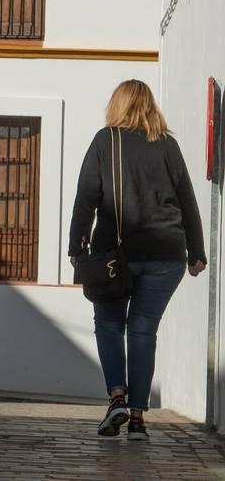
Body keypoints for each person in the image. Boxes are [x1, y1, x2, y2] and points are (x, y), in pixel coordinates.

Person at [68, 79, 206, 442]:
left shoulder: (105, 140)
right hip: (166, 256)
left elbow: (86, 197)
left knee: (110, 325)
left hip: (115, 257)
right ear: (150, 106)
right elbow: (187, 200)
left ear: (117, 104)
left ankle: (117, 396)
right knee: (144, 330)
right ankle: (139, 420)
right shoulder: (168, 145)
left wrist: (76, 247)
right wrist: (197, 252)